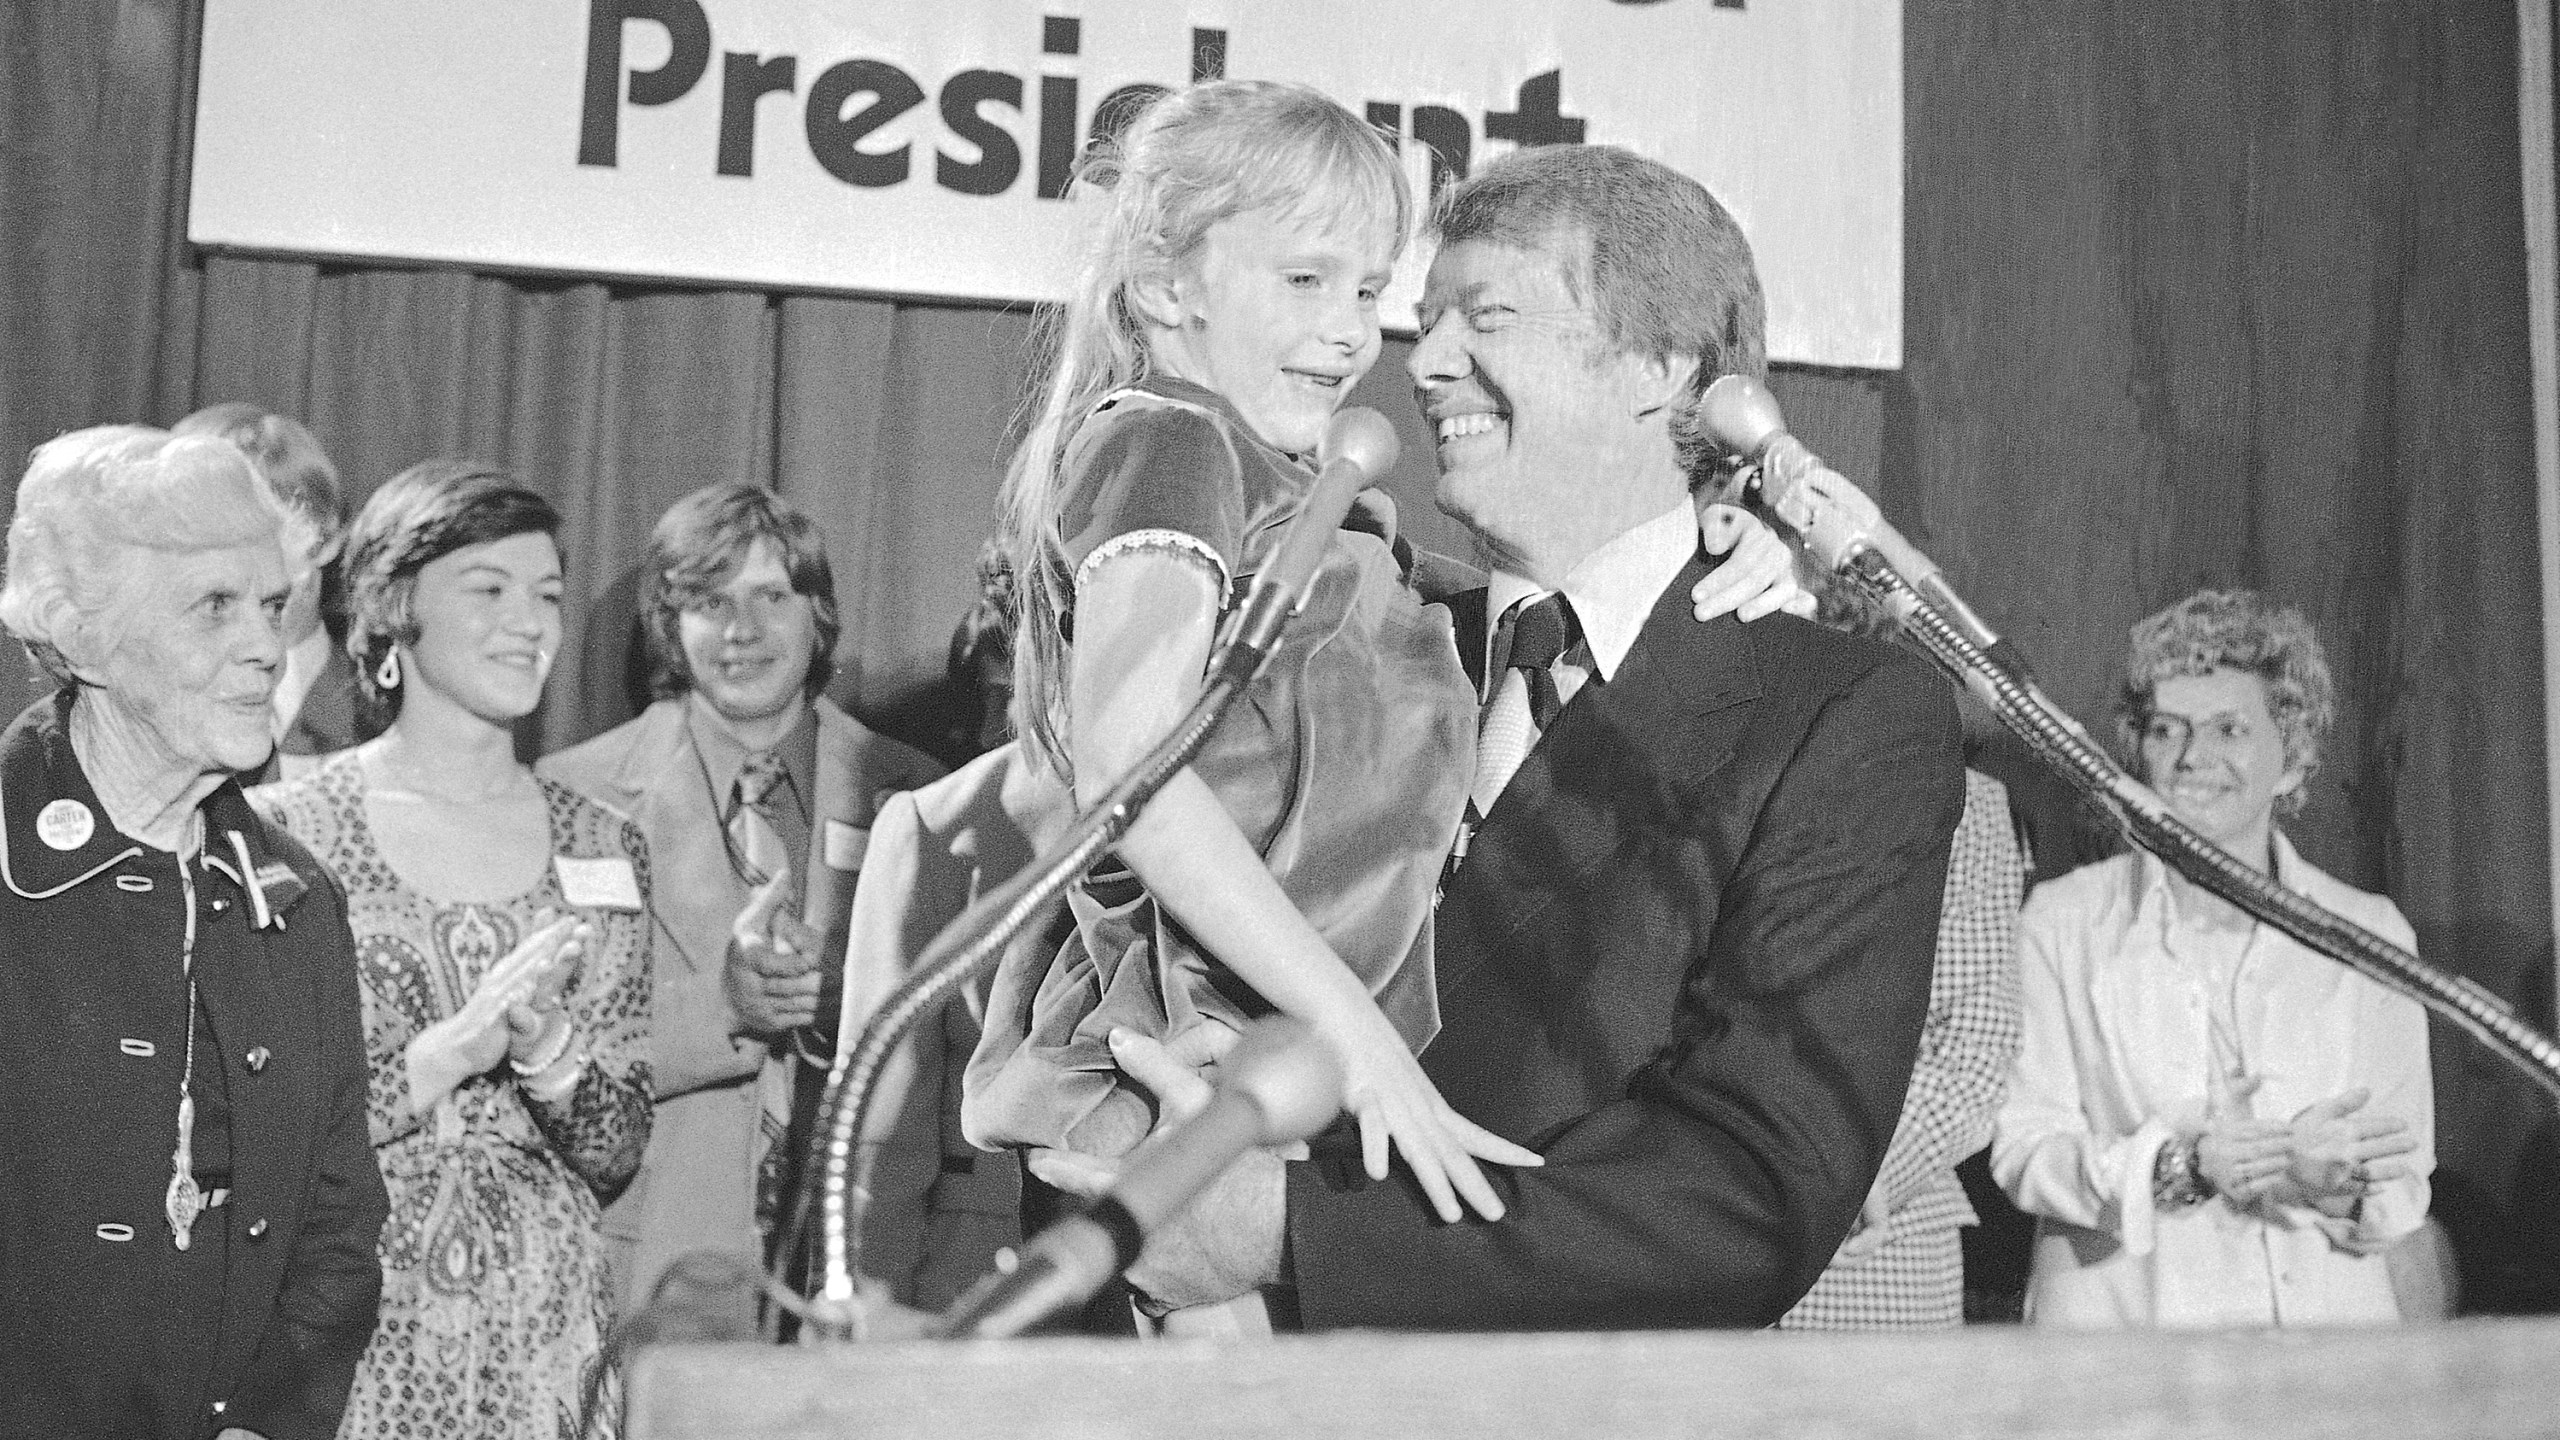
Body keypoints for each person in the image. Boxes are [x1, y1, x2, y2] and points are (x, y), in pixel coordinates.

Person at [1025, 138, 1966, 1331]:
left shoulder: (1834, 711)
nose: (1427, 363)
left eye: (1488, 316)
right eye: (1424, 319)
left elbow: (1749, 1193)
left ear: (1661, 366)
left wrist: (1288, 1235)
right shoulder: (1353, 620)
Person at [0, 426, 386, 1437]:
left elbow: (337, 1229)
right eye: (214, 606)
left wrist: (265, 1422)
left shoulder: (296, 900)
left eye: (270, 605)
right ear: (83, 633)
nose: (266, 644)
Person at [252, 461, 653, 1435]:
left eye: (548, 595)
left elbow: (618, 1151)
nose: (531, 622)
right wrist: (449, 1053)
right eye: (489, 589)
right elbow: (256, 1130)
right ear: (394, 607)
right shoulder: (283, 832)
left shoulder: (603, 843)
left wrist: (550, 1054)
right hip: (348, 1331)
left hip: (548, 1343)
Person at [539, 483, 945, 1316]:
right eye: (710, 602)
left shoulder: (918, 798)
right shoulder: (572, 800)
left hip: (865, 1273)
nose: (743, 631)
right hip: (651, 1269)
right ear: (669, 625)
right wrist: (721, 1004)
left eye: (772, 596)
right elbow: (547, 1047)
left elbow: (959, 1061)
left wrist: (854, 996)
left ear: (819, 614)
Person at [1991, 589, 2432, 1328]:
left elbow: (2403, 1188)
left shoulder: (2369, 932)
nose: (2195, 757)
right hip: (2125, 1350)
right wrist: (2179, 1168)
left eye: (2230, 729)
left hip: (2327, 1352)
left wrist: (2328, 1183)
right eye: (2168, 730)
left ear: (2291, 761)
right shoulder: (2061, 923)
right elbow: (2025, 1151)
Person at [171, 403, 371, 781]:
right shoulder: (155, 693)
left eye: (259, 531)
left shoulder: (379, 705)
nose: (226, 562)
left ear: (326, 538)